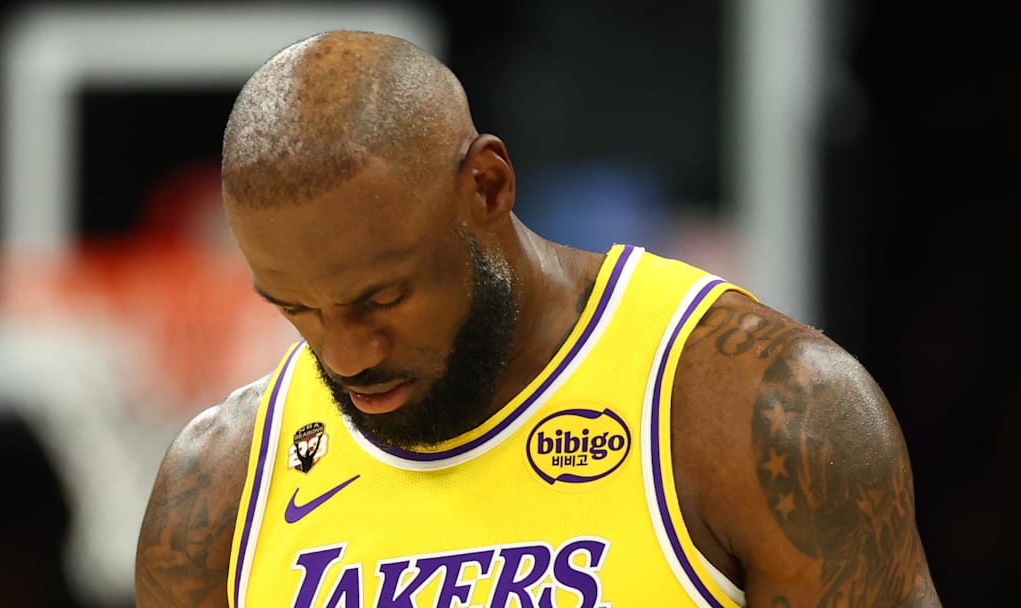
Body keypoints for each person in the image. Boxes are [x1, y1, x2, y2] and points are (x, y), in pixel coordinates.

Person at [134, 30, 940, 607]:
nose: (346, 355)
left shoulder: (760, 412)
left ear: (486, 187)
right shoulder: (219, 492)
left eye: (382, 299)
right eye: (299, 311)